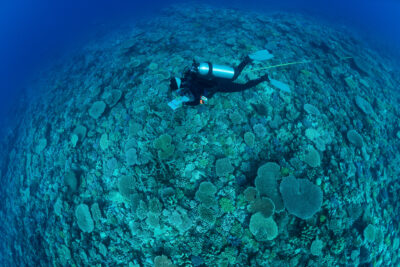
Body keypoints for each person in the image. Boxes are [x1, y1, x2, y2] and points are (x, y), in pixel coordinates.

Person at [169, 55, 270, 107]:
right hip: (218, 76)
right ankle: (247, 60)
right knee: (235, 74)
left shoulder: (193, 88)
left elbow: (201, 101)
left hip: (220, 86)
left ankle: (263, 78)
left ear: (180, 86)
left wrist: (187, 103)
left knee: (243, 87)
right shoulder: (189, 74)